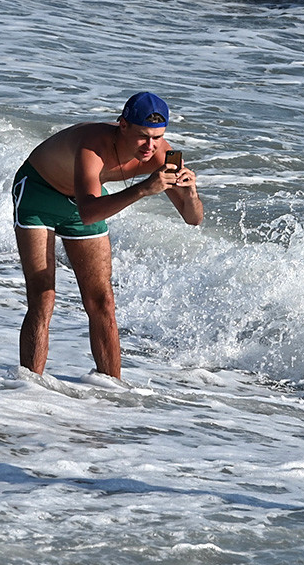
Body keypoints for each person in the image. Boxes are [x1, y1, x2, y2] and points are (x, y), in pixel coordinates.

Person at [10, 91, 203, 380]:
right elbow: (89, 213)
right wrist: (143, 189)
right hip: (40, 193)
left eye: (158, 137)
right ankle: (28, 387)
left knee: (103, 301)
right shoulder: (94, 146)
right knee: (43, 296)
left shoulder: (163, 153)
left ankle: (111, 390)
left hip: (86, 199)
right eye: (143, 136)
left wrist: (190, 194)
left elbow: (193, 219)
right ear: (123, 125)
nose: (151, 146)